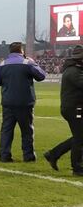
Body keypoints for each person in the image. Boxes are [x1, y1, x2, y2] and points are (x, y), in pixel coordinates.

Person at [0, 42, 46, 162]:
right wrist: (34, 62)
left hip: (8, 102)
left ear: (10, 51)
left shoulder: (2, 64)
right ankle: (28, 156)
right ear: (21, 51)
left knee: (6, 130)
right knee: (27, 130)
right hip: (25, 102)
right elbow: (41, 76)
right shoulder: (27, 63)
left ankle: (4, 155)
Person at [43, 45, 83, 176]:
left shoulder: (74, 70)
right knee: (79, 138)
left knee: (79, 136)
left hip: (74, 107)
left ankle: (53, 154)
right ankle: (77, 167)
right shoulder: (74, 71)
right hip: (74, 108)